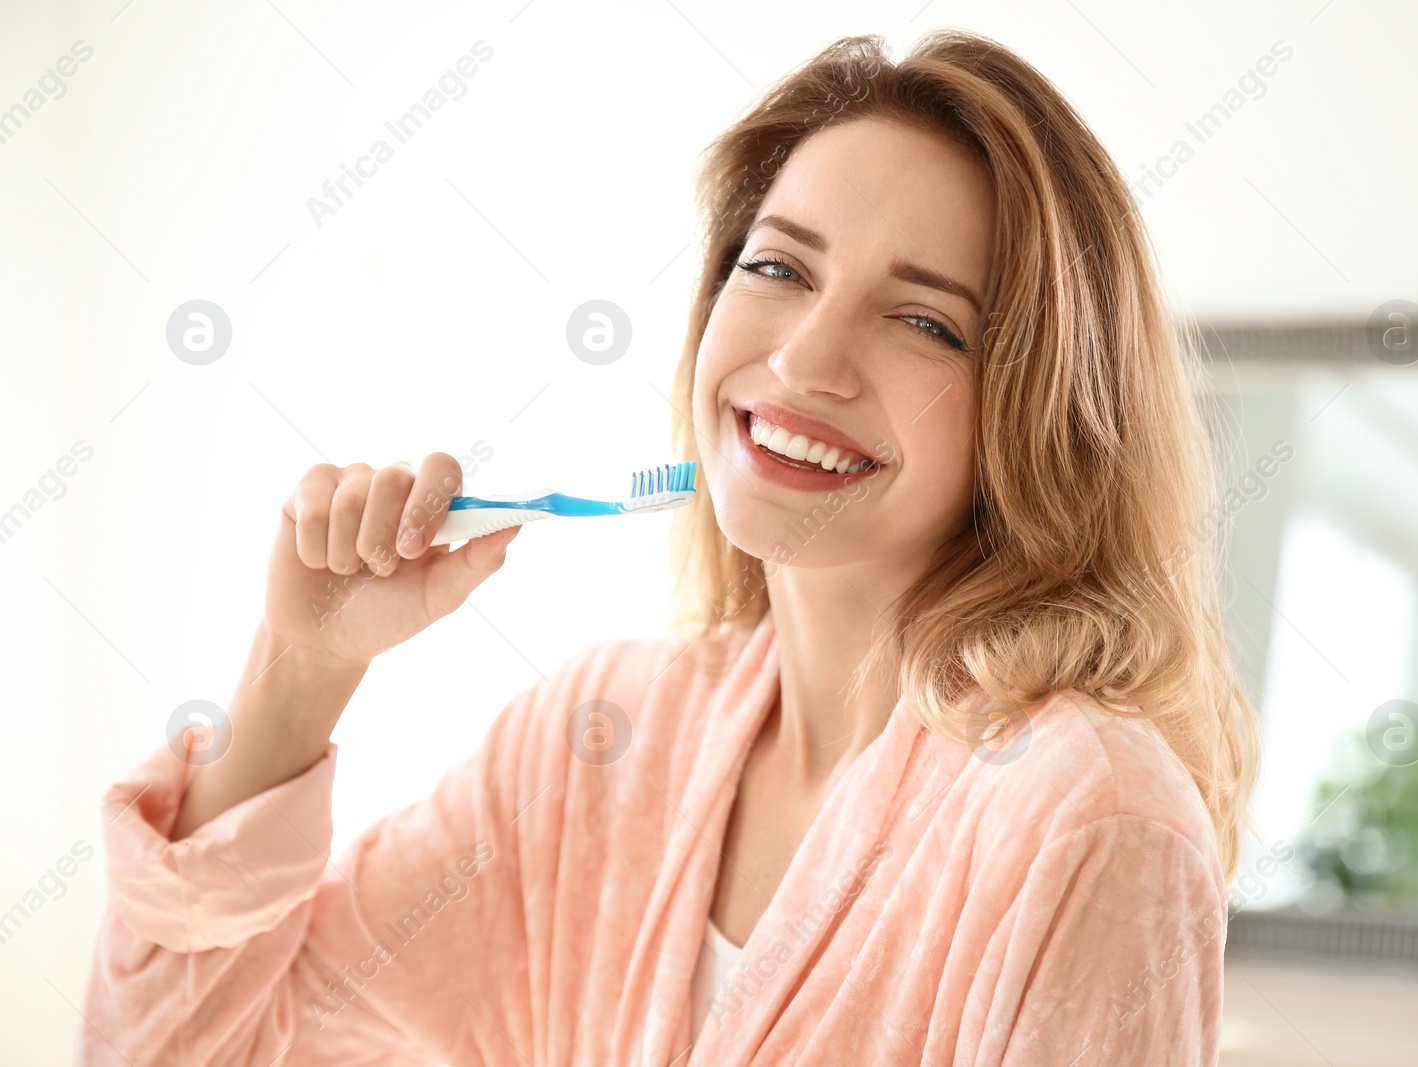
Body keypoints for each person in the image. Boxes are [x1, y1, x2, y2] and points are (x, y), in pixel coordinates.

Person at [81, 29, 1259, 1066]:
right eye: (778, 265)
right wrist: (300, 667)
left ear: (1037, 407)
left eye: (921, 319)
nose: (803, 358)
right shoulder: (597, 743)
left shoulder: (1087, 823)